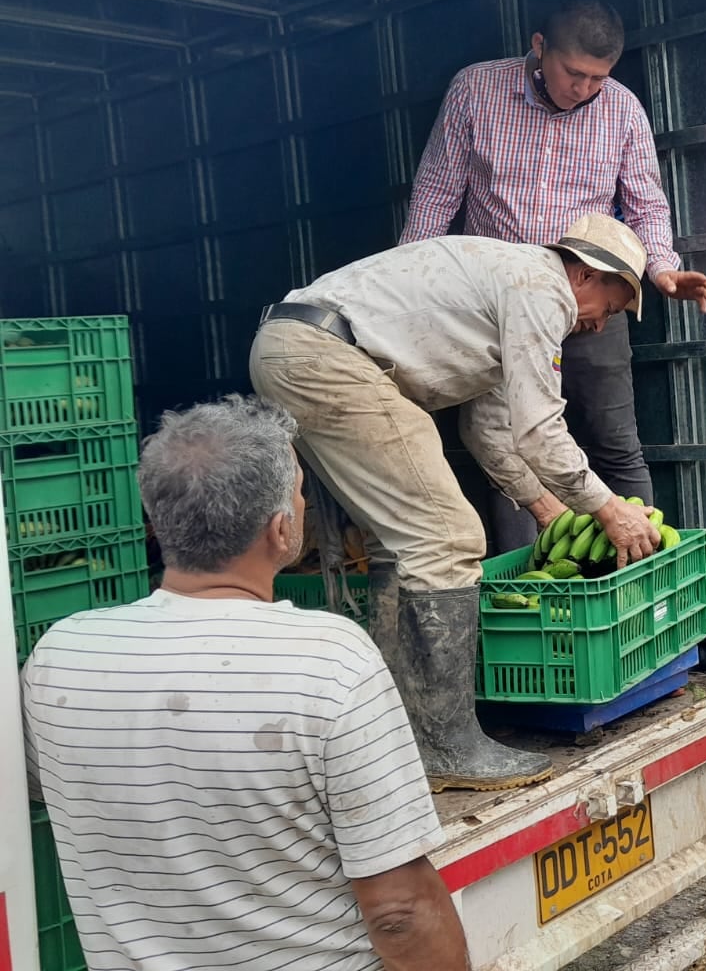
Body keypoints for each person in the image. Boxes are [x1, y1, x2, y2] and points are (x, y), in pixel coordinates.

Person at [21, 395, 469, 971]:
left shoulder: (61, 653)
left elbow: (47, 786)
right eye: (300, 494)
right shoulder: (329, 659)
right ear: (281, 530)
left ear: (158, 521)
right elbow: (399, 911)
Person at [249, 213, 662, 791]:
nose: (599, 325)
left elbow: (491, 431)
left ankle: (394, 735)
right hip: (326, 355)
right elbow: (542, 431)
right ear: (585, 275)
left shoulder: (511, 288)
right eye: (610, 308)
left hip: (295, 347)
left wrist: (546, 510)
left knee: (401, 545)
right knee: (446, 538)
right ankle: (444, 744)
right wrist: (608, 509)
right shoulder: (541, 289)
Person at [399, 0, 706, 549]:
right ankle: (533, 582)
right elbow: (437, 193)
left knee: (616, 443)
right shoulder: (476, 90)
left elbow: (646, 205)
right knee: (507, 446)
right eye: (574, 73)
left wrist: (663, 269)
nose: (584, 89)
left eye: (598, 78)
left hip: (592, 305)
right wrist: (411, 284)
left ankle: (646, 569)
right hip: (496, 310)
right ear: (540, 47)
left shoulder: (623, 110)